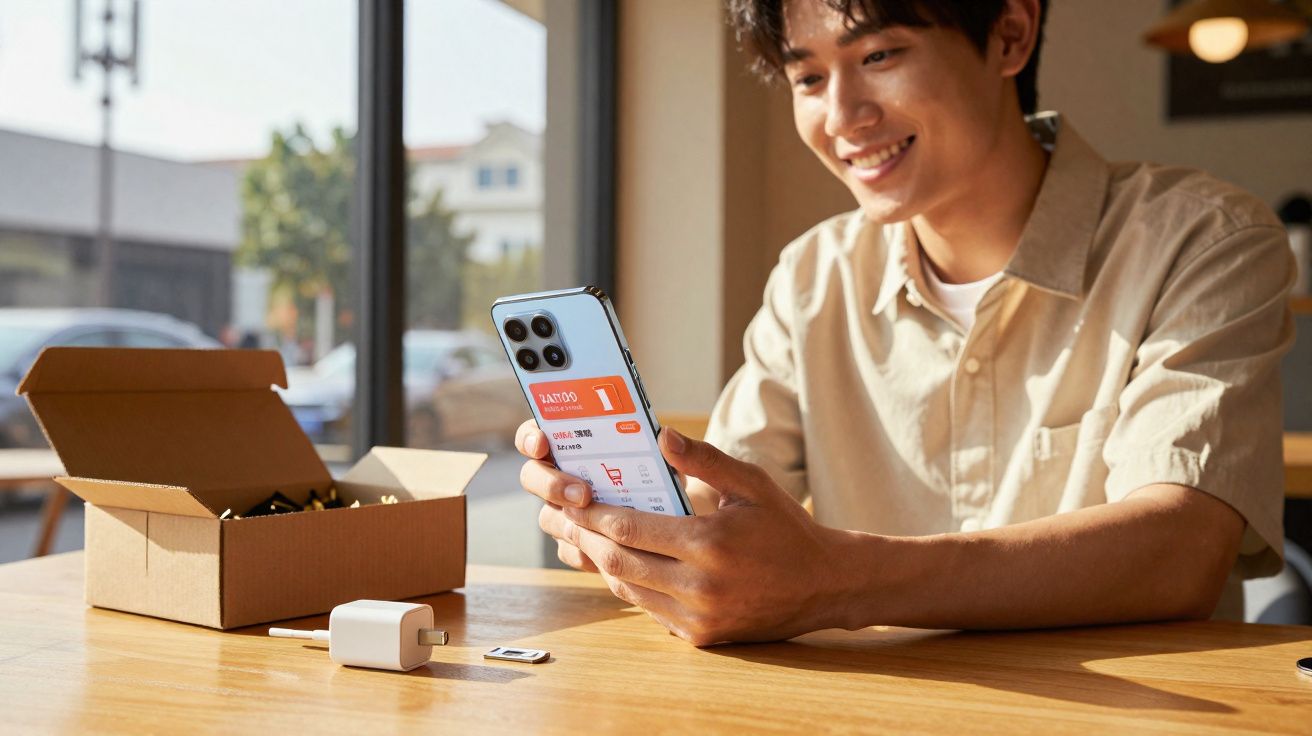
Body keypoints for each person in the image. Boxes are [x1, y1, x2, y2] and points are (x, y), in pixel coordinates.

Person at [514, 0, 1294, 646]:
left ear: (1010, 35)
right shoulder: (813, 274)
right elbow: (725, 505)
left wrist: (834, 582)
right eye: (809, 76)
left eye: (880, 55)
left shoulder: (1204, 239)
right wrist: (638, 525)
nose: (843, 115)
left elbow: (1180, 550)